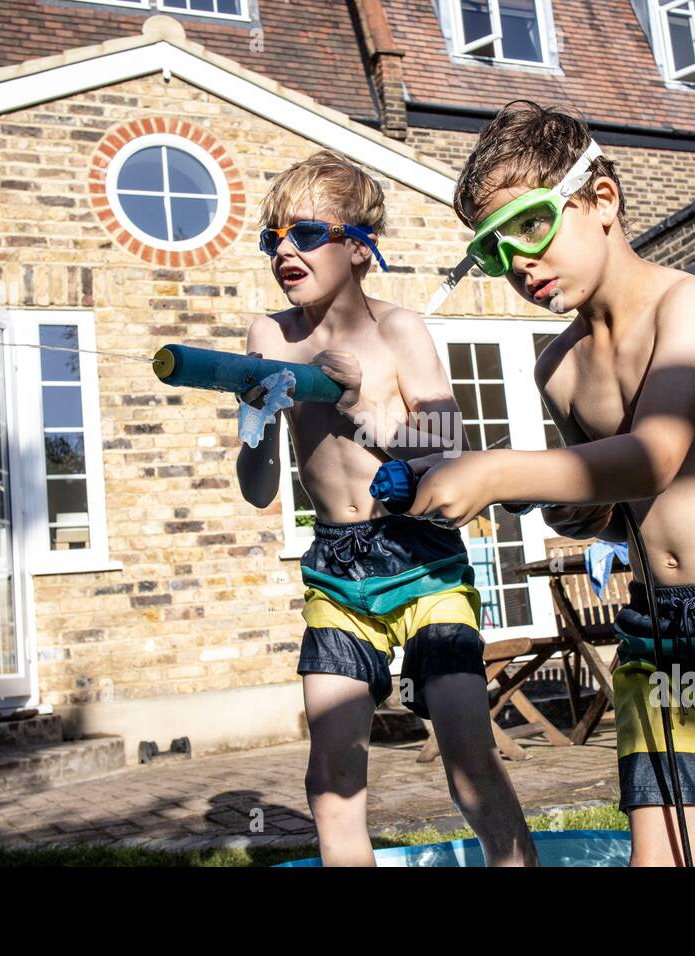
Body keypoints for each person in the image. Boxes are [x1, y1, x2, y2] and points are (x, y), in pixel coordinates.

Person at [407, 102, 695, 866]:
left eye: (532, 225)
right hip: (656, 627)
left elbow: (655, 456)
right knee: (661, 857)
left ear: (601, 201)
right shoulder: (559, 369)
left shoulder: (689, 304)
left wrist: (498, 469)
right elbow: (613, 508)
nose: (519, 261)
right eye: (494, 249)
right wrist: (569, 508)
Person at [235, 149, 537, 866]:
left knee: (468, 753)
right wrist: (253, 422)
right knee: (331, 774)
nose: (284, 249)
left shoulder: (400, 331)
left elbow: (443, 451)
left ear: (361, 247)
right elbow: (255, 491)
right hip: (337, 572)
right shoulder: (268, 338)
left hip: (422, 558)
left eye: (306, 234)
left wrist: (358, 402)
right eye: (270, 238)